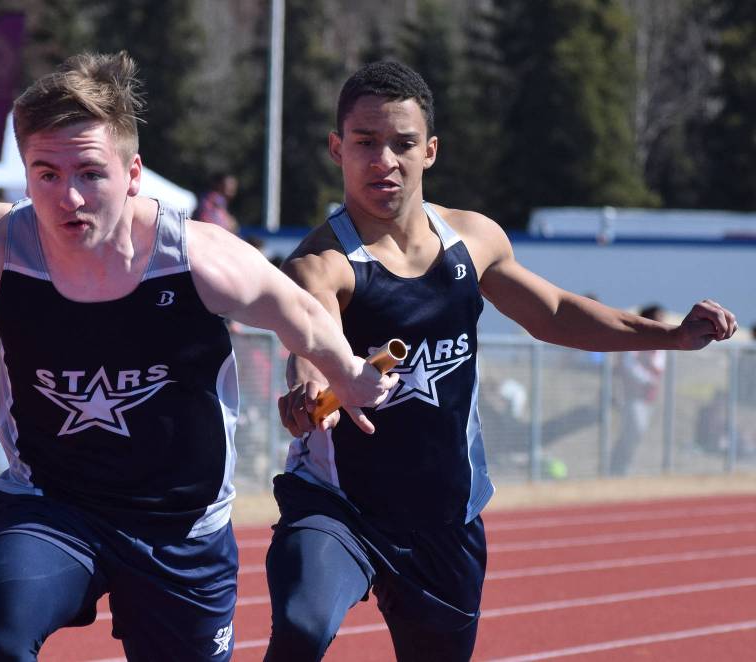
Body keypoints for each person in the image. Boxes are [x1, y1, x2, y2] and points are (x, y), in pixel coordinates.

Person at [0, 52, 397, 662]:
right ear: (26, 177)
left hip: (180, 527)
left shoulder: (199, 260)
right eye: (47, 174)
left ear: (132, 175)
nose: (68, 196)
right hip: (51, 503)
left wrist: (348, 376)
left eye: (90, 173)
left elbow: (305, 316)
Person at [266, 60, 738, 662]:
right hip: (341, 509)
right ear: (337, 148)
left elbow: (556, 313)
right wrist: (307, 390)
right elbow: (309, 340)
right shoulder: (321, 262)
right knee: (302, 627)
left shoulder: (475, 240)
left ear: (430, 151)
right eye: (365, 142)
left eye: (402, 143)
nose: (384, 159)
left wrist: (670, 336)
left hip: (444, 519)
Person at [610, 304, 667, 474]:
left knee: (637, 433)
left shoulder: (660, 344)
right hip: (632, 395)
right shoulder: (635, 339)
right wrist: (647, 379)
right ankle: (618, 467)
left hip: (648, 397)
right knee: (634, 431)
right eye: (658, 318)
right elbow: (629, 365)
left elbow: (659, 366)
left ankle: (623, 466)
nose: (661, 322)